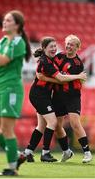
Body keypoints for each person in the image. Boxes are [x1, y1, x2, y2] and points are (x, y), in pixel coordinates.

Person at [20, 37, 87, 163]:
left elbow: (42, 76)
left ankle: (28, 152)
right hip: (39, 95)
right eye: (51, 46)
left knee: (41, 125)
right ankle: (45, 153)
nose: (54, 49)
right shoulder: (46, 62)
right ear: (44, 48)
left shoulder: (50, 60)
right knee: (53, 122)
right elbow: (60, 78)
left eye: (55, 46)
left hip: (43, 95)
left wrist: (46, 78)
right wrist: (78, 76)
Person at [0, 10, 31, 176]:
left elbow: (2, 60)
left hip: (11, 89)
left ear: (17, 25)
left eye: (8, 20)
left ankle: (12, 167)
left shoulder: (18, 42)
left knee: (7, 128)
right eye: (4, 19)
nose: (4, 22)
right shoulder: (3, 41)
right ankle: (17, 155)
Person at [37, 34, 92, 163]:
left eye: (72, 45)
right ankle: (66, 151)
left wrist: (61, 77)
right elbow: (50, 67)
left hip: (72, 96)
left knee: (75, 124)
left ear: (77, 47)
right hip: (58, 96)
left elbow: (63, 79)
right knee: (56, 126)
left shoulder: (78, 64)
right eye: (67, 44)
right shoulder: (59, 57)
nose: (68, 46)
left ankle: (87, 152)